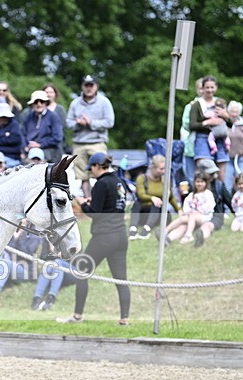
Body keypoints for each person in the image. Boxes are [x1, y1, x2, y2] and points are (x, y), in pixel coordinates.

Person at [58, 152, 130, 326]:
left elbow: (92, 213)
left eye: (92, 169)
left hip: (104, 237)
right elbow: (111, 205)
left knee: (81, 271)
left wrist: (83, 202)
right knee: (121, 279)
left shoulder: (101, 184)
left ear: (99, 166)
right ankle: (124, 319)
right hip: (121, 235)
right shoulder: (119, 182)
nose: (91, 173)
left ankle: (77, 316)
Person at [66, 75, 115, 198]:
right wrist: (78, 123)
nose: (89, 88)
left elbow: (110, 122)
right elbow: (68, 122)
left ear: (96, 86)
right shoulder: (75, 103)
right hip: (79, 143)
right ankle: (88, 201)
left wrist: (90, 123)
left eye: (91, 85)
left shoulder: (104, 102)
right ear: (82, 87)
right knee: (83, 176)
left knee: (102, 172)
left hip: (97, 142)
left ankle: (101, 200)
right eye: (86, 85)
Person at [189, 75, 231, 187]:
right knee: (205, 173)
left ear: (216, 88)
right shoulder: (197, 105)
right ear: (202, 88)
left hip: (220, 139)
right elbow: (192, 125)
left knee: (221, 176)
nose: (209, 90)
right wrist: (208, 122)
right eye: (207, 87)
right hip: (203, 139)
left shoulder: (220, 103)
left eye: (212, 87)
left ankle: (220, 201)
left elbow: (230, 124)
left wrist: (226, 115)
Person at [129, 154, 182, 239]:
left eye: (165, 169)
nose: (163, 171)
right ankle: (133, 229)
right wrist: (152, 198)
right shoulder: (142, 178)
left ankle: (147, 229)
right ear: (153, 168)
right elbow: (141, 195)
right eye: (161, 169)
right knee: (137, 203)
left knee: (157, 203)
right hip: (143, 211)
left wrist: (179, 210)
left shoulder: (165, 180)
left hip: (157, 212)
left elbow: (171, 197)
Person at [163, 173, 215, 244]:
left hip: (204, 217)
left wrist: (198, 211)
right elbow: (186, 205)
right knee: (183, 224)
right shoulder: (191, 195)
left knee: (191, 216)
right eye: (198, 182)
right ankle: (167, 236)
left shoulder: (208, 194)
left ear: (206, 183)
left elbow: (209, 206)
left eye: (202, 182)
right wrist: (188, 211)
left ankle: (188, 235)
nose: (199, 184)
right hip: (191, 216)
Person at [24, 90, 63, 164]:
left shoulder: (53, 117)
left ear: (46, 103)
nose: (39, 104)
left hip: (49, 151)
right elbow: (23, 134)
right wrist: (26, 146)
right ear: (32, 104)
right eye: (36, 102)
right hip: (30, 151)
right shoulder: (28, 117)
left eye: (41, 101)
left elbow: (57, 137)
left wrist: (40, 144)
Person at [180, 77, 204, 186]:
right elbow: (186, 124)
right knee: (191, 176)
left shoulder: (215, 104)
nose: (203, 90)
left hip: (209, 147)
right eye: (200, 88)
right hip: (191, 146)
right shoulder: (190, 106)